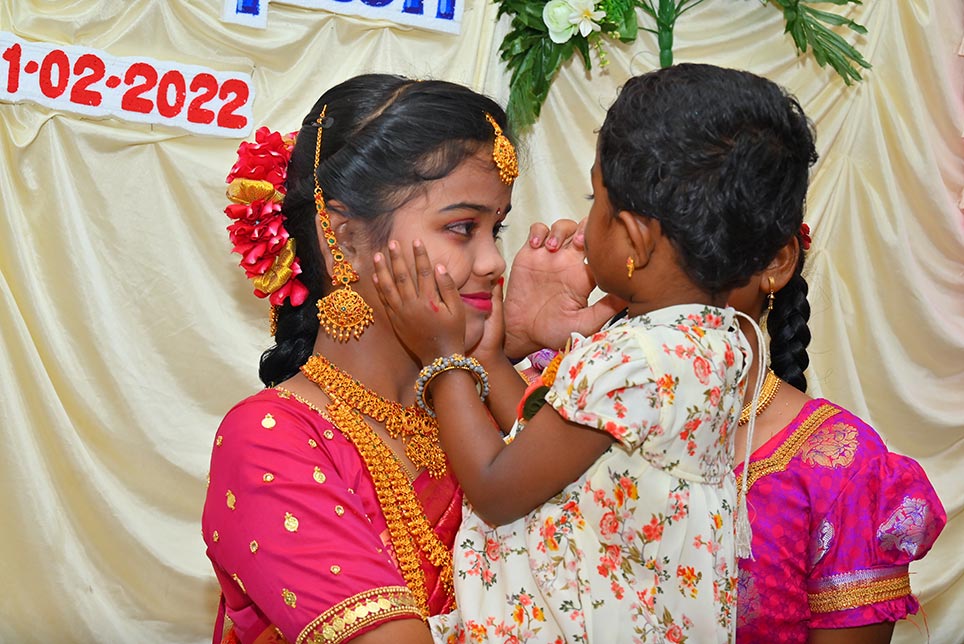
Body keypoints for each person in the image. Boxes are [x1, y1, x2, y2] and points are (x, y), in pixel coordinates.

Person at [371, 63, 818, 643]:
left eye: (596, 200)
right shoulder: (718, 343)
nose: (584, 222)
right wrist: (491, 357)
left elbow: (498, 488)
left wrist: (443, 360)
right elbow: (550, 452)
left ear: (634, 239)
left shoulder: (635, 359)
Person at [201, 74, 525, 644]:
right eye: (462, 228)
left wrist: (499, 363)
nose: (494, 261)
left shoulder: (474, 409)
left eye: (496, 230)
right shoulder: (271, 438)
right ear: (344, 239)